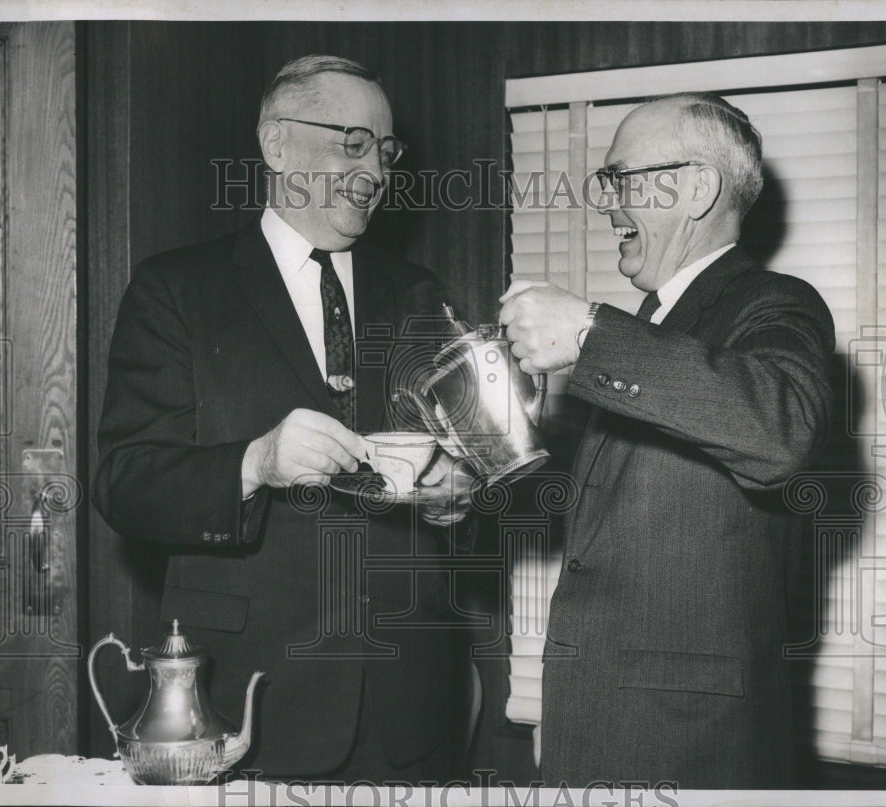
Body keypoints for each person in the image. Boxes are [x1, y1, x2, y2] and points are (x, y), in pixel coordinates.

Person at [93, 55, 470, 783]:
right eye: (352, 143)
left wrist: (458, 494)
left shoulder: (420, 293)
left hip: (412, 710)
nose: (376, 172)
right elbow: (123, 481)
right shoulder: (175, 289)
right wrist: (254, 463)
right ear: (276, 144)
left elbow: (459, 465)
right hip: (247, 710)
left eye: (386, 152)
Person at [498, 92, 835, 789]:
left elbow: (780, 432)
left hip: (691, 748)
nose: (607, 201)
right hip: (593, 728)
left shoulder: (777, 304)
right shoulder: (651, 332)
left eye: (620, 179)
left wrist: (590, 334)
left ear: (696, 188)